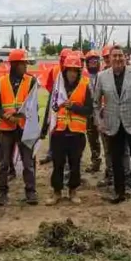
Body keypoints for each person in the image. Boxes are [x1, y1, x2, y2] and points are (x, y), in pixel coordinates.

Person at [93, 46, 131, 208]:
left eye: (120, 56)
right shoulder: (102, 76)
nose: (118, 59)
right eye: (114, 56)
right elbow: (96, 103)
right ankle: (119, 192)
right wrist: (99, 122)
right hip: (113, 126)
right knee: (116, 161)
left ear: (126, 57)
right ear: (109, 59)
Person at [0, 48, 40, 206]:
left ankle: (31, 192)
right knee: (4, 163)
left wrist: (18, 115)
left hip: (25, 127)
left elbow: (33, 107)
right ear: (14, 64)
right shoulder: (1, 82)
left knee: (28, 162)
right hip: (7, 129)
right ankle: (2, 193)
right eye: (23, 64)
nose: (26, 66)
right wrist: (4, 115)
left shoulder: (31, 81)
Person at [43, 55, 93, 205]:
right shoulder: (57, 87)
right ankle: (56, 192)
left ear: (79, 72)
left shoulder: (85, 86)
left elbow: (89, 110)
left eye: (75, 71)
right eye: (70, 70)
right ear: (65, 71)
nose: (72, 73)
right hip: (59, 132)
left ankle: (73, 191)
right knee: (57, 164)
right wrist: (45, 129)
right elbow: (50, 108)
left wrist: (74, 107)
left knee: (75, 164)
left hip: (76, 133)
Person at [40, 49, 74, 165]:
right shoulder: (54, 70)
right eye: (62, 58)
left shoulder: (72, 69)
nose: (64, 61)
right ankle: (51, 152)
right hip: (55, 97)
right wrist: (54, 94)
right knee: (51, 123)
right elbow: (49, 83)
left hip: (68, 100)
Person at [83, 50, 105, 174]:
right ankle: (95, 161)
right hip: (90, 113)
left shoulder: (105, 75)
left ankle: (110, 168)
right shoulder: (83, 78)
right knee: (92, 139)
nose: (93, 63)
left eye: (95, 61)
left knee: (107, 141)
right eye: (90, 61)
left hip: (103, 113)